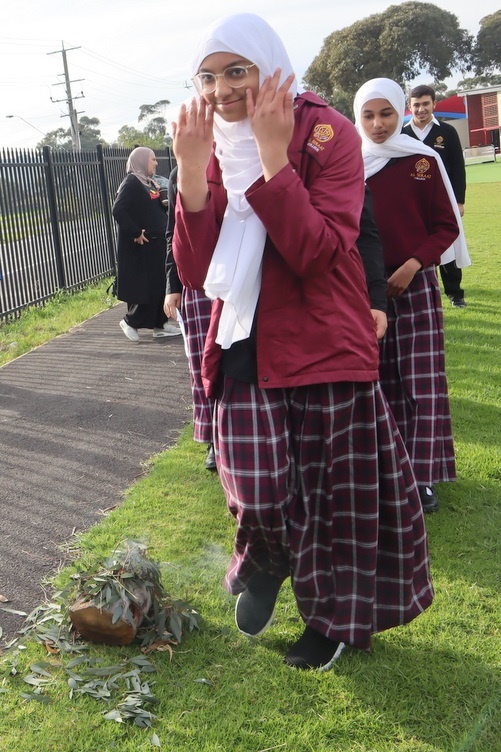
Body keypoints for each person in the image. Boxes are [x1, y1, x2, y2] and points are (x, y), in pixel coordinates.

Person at [171, 13, 433, 670]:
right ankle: (266, 560)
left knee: (331, 499)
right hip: (243, 341)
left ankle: (331, 620)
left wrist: (269, 156)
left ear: (269, 65)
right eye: (209, 76)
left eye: (237, 70)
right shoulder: (210, 139)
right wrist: (191, 173)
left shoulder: (326, 133)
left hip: (322, 343)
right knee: (256, 490)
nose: (223, 89)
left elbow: (317, 252)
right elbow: (199, 271)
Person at [353, 77, 470, 513]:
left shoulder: (421, 159)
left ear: (402, 112)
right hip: (365, 295)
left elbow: (446, 224)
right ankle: (388, 472)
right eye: (368, 114)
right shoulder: (348, 167)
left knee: (421, 384)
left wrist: (414, 263)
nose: (378, 124)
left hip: (415, 287)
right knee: (377, 383)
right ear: (357, 116)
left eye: (387, 113)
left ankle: (422, 476)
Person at [163, 166, 217, 471]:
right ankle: (212, 440)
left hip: (240, 280)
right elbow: (174, 232)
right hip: (197, 285)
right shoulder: (178, 174)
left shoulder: (240, 155)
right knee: (203, 365)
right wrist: (173, 287)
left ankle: (241, 433)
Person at [402, 84, 468, 308]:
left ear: (434, 104)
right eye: (416, 105)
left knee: (447, 243)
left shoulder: (447, 132)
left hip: (443, 200)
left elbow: (458, 168)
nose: (421, 109)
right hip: (413, 203)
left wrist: (459, 200)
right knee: (417, 246)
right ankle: (420, 290)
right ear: (409, 107)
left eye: (425, 104)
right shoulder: (403, 134)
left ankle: (455, 293)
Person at [112, 146, 181, 341]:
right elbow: (118, 210)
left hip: (156, 244)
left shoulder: (148, 182)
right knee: (150, 288)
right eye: (152, 159)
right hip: (143, 247)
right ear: (142, 161)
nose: (156, 163)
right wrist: (135, 232)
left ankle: (160, 325)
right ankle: (130, 321)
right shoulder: (132, 182)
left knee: (161, 284)